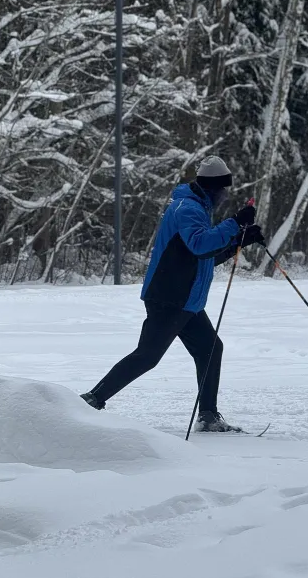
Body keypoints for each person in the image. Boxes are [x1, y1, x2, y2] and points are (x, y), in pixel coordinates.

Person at [80, 156, 265, 432]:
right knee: (147, 356)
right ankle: (90, 401)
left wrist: (239, 240)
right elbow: (201, 246)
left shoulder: (199, 208)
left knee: (210, 349)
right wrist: (234, 223)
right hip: (169, 298)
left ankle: (209, 416)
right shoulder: (187, 209)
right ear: (212, 188)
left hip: (186, 300)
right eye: (223, 190)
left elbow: (204, 258)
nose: (225, 195)